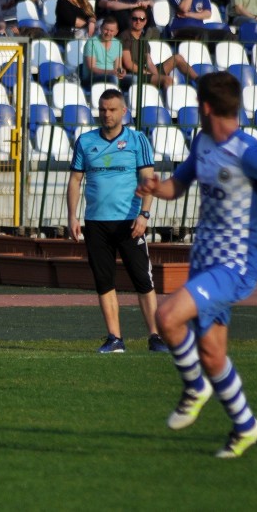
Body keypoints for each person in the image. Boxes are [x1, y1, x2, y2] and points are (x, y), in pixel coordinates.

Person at [136, 71, 257, 458]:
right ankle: (246, 426)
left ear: (206, 106)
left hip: (234, 266)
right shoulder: (204, 142)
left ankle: (195, 387)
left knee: (167, 318)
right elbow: (176, 187)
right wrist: (154, 188)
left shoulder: (251, 153)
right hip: (204, 261)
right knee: (212, 353)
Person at [67, 88, 166, 354]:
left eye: (112, 109)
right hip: (96, 222)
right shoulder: (85, 141)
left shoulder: (137, 140)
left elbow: (148, 180)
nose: (106, 114)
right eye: (102, 109)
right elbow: (75, 180)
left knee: (142, 280)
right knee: (104, 281)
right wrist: (72, 216)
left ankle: (155, 337)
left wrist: (144, 215)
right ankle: (115, 338)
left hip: (130, 223)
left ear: (124, 111)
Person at [120, 6, 197, 89]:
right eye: (135, 18)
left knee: (177, 58)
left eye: (141, 19)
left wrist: (156, 76)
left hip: (146, 71)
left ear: (145, 21)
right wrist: (148, 73)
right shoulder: (125, 36)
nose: (138, 21)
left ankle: (199, 80)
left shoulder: (143, 39)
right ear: (130, 20)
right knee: (167, 80)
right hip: (133, 74)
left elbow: (149, 62)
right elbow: (128, 64)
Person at [81, 16, 126, 88]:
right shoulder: (91, 42)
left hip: (112, 75)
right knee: (113, 78)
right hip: (92, 77)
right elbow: (92, 68)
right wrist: (110, 72)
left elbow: (118, 66)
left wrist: (121, 72)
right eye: (106, 29)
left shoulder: (118, 43)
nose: (108, 33)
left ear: (116, 32)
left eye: (111, 31)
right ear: (101, 28)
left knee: (134, 79)